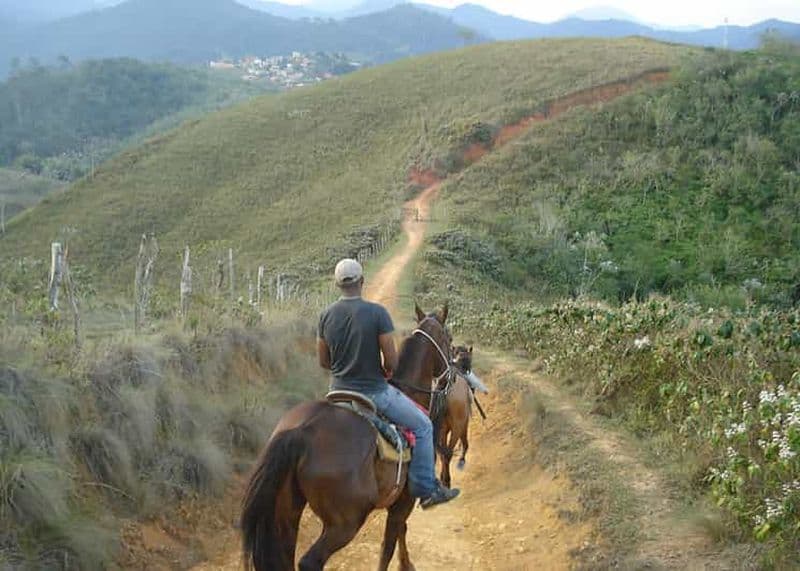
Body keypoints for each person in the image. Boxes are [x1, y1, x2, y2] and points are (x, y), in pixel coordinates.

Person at [317, 258, 460, 509]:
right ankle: (426, 489)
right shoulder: (377, 313)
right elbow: (392, 362)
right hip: (373, 392)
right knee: (424, 426)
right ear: (362, 281)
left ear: (337, 284)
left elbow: (324, 361)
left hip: (336, 392)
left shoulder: (326, 316)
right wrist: (384, 369)